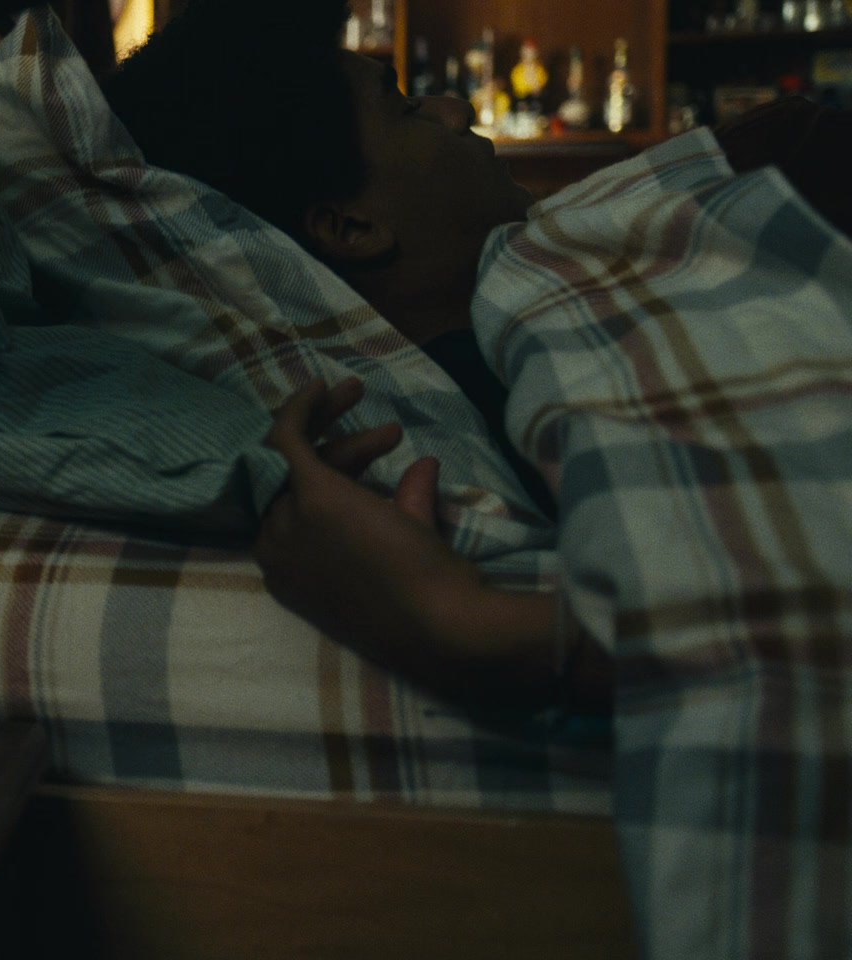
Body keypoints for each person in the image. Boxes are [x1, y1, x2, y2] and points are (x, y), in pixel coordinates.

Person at [98, 0, 851, 715]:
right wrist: (471, 626)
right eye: (406, 108)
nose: (456, 110)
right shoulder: (519, 375)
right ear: (351, 226)